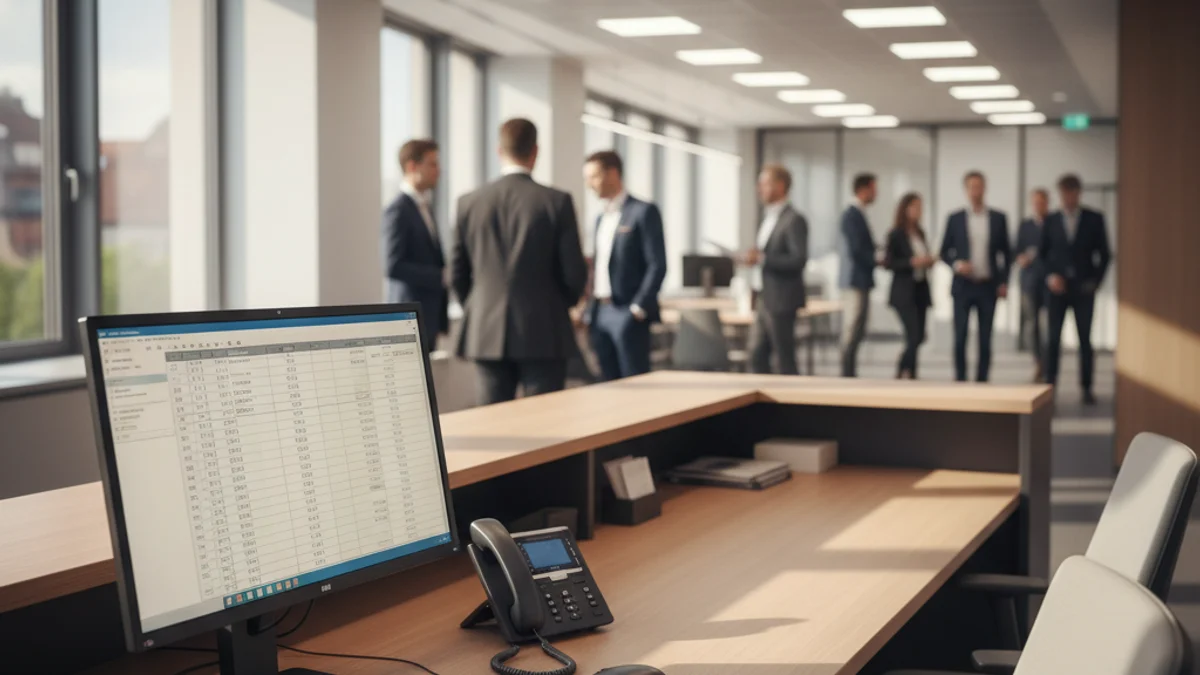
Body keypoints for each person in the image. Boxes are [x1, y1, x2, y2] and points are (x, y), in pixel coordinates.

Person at [451, 118, 588, 405]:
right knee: (545, 422)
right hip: (544, 328)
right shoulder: (556, 201)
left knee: (492, 422)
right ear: (535, 151)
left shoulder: (469, 202)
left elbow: (457, 272)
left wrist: (480, 305)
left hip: (485, 329)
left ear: (499, 151)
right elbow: (574, 273)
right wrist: (556, 303)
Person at [582, 150, 667, 381]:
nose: (589, 184)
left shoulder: (643, 211)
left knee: (635, 385)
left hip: (627, 312)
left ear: (613, 173)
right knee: (605, 384)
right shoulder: (600, 218)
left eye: (594, 176)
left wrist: (638, 308)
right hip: (600, 312)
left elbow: (657, 264)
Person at [1041, 173, 1111, 405]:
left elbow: (1105, 254)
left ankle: (1087, 387)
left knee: (1084, 340)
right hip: (1057, 291)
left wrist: (1095, 282)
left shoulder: (1094, 218)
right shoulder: (1050, 220)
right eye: (1064, 194)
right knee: (1052, 340)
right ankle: (1049, 386)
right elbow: (1042, 255)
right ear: (1060, 195)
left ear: (1078, 194)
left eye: (1072, 193)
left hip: (1083, 290)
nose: (1068, 198)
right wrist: (1051, 277)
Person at [939, 170, 1012, 383]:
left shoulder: (998, 218)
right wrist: (956, 264)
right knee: (960, 336)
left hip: (988, 286)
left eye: (979, 186)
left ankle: (982, 380)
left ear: (985, 188)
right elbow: (944, 252)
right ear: (966, 190)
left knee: (985, 338)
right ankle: (960, 380)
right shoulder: (955, 219)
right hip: (963, 286)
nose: (975, 191)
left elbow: (1006, 253)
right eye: (971, 187)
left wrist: (1004, 281)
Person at [739, 164, 809, 375]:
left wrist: (763, 258)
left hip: (782, 299)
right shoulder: (768, 217)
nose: (759, 188)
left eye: (765, 183)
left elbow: (798, 259)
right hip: (763, 297)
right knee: (756, 355)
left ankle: (793, 403)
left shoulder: (794, 219)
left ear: (780, 186)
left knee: (784, 358)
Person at [382, 138, 447, 353]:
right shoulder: (398, 210)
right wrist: (441, 276)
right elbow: (392, 265)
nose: (438, 170)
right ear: (412, 166)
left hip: (427, 318)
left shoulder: (424, 206)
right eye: (433, 164)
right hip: (407, 319)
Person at [885, 193, 935, 379]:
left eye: (921, 207)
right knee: (913, 335)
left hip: (920, 288)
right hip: (903, 292)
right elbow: (889, 263)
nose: (919, 211)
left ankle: (912, 373)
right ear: (905, 209)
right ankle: (902, 369)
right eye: (915, 206)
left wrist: (928, 261)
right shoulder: (896, 234)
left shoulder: (920, 233)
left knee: (920, 335)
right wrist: (911, 262)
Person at [838, 173, 877, 378]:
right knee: (851, 330)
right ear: (864, 189)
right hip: (854, 280)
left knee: (858, 330)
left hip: (861, 279)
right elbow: (856, 249)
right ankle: (846, 375)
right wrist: (877, 258)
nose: (876, 193)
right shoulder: (851, 214)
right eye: (874, 188)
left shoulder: (860, 213)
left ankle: (850, 373)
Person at [1016, 188, 1051, 382]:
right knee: (1033, 324)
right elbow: (1016, 249)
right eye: (1035, 202)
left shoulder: (1053, 223)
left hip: (1049, 282)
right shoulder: (1026, 225)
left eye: (1042, 202)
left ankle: (1049, 363)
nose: (1039, 205)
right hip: (1029, 281)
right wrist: (1021, 258)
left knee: (1050, 326)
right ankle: (1038, 361)